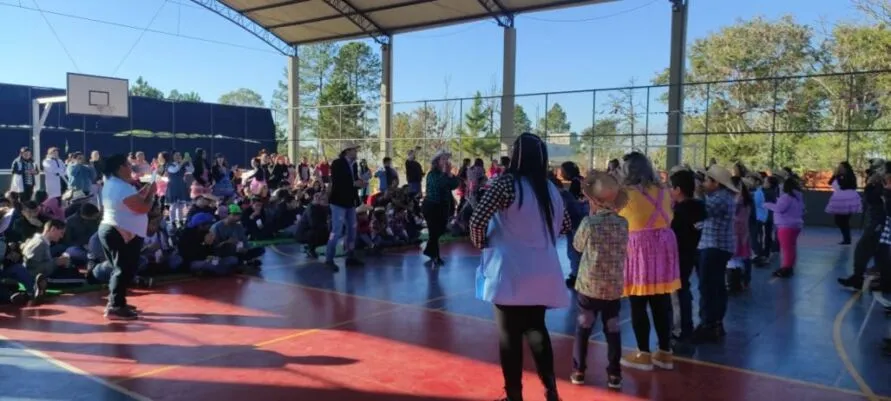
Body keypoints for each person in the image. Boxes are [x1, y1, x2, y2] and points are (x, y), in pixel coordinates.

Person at [469, 133, 571, 401]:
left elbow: (477, 219)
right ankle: (551, 391)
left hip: (510, 271)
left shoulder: (506, 184)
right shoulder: (550, 189)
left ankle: (514, 396)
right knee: (537, 329)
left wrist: (482, 244)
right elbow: (566, 225)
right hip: (544, 271)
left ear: (516, 155)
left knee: (509, 337)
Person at [570, 171, 629, 390]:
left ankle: (579, 371)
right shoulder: (623, 223)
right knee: (612, 328)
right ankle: (614, 374)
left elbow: (577, 246)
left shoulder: (589, 223)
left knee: (583, 327)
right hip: (613, 287)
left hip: (588, 285)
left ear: (594, 201)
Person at [98, 154, 155, 320]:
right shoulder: (120, 187)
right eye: (128, 165)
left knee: (123, 269)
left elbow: (134, 200)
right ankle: (116, 306)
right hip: (119, 232)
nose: (131, 168)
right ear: (120, 168)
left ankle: (117, 301)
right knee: (123, 269)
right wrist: (151, 194)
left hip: (118, 230)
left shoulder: (116, 184)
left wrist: (146, 191)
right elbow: (142, 208)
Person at [325, 143, 366, 271]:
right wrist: (355, 183)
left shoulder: (354, 166)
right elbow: (339, 181)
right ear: (347, 151)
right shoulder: (337, 163)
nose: (356, 152)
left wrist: (360, 184)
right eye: (354, 150)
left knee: (352, 230)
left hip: (349, 202)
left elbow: (352, 184)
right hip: (338, 201)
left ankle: (350, 255)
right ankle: (329, 259)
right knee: (336, 230)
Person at [422, 150, 460, 266]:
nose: (446, 161)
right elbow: (440, 184)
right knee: (434, 232)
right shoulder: (432, 174)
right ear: (437, 161)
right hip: (431, 206)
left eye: (446, 159)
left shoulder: (445, 173)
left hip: (443, 207)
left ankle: (429, 251)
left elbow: (454, 185)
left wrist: (449, 174)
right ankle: (435, 256)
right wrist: (445, 174)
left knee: (441, 230)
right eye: (443, 159)